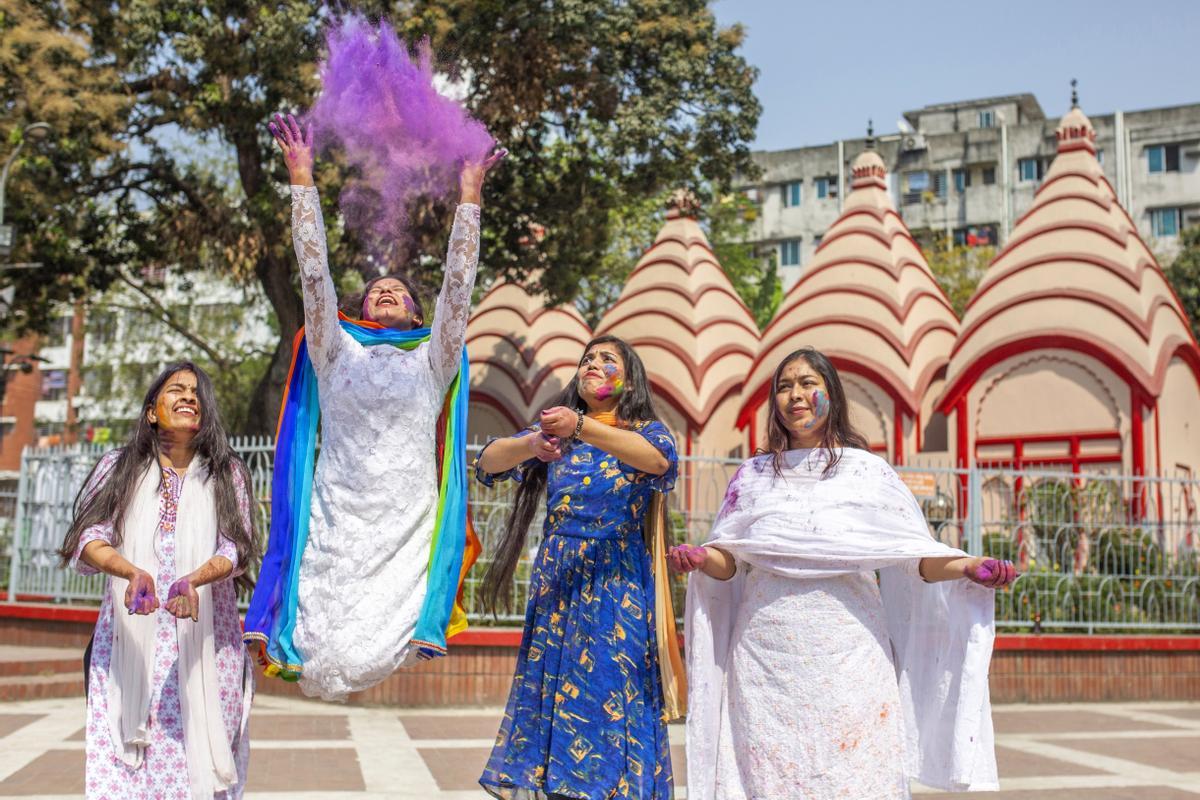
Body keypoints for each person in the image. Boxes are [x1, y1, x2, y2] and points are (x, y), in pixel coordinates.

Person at [670, 347, 1017, 800]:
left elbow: (914, 558)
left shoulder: (868, 474)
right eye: (784, 386)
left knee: (853, 775)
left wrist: (969, 566)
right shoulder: (752, 477)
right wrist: (701, 559)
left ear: (831, 393)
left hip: (851, 659)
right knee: (769, 777)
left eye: (808, 383)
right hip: (763, 664)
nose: (796, 395)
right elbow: (731, 561)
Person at [243, 114, 503, 700]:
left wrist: (470, 196)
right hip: (338, 509)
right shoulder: (334, 353)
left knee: (387, 633)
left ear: (417, 316)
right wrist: (301, 180)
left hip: (406, 516)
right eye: (376, 290)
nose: (387, 290)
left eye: (402, 292)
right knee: (326, 636)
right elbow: (315, 277)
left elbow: (458, 287)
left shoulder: (434, 360)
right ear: (360, 312)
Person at [474, 335, 678, 800]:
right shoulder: (554, 434)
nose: (594, 363)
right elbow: (486, 464)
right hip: (559, 580)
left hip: (615, 581)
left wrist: (580, 426)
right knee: (558, 690)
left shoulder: (646, 431)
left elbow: (658, 462)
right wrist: (531, 444)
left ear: (630, 380)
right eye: (588, 358)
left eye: (609, 359)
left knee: (611, 688)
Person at [58, 362, 259, 800]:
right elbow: (88, 538)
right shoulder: (118, 467)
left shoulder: (228, 473)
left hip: (208, 648)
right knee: (126, 765)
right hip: (130, 644)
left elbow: (237, 549)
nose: (189, 397)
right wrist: (131, 571)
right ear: (152, 411)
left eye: (196, 392)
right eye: (175, 390)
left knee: (199, 766)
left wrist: (194, 579)